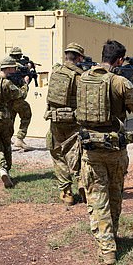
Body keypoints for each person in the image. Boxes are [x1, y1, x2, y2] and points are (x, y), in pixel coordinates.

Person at [76, 40, 133, 265]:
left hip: (90, 148)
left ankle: (106, 243)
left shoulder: (82, 79)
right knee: (115, 195)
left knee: (97, 196)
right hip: (115, 150)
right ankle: (110, 242)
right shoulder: (120, 83)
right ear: (119, 60)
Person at [45, 42, 87, 206]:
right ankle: (82, 183)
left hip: (55, 120)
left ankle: (67, 193)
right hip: (73, 121)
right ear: (80, 57)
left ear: (66, 56)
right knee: (77, 154)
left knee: (57, 154)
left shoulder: (55, 72)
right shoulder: (81, 77)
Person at [0, 57, 30, 188]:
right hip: (2, 117)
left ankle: (2, 169)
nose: (15, 70)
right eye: (13, 68)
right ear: (8, 69)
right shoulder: (7, 84)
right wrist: (25, 83)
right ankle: (6, 169)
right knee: (6, 145)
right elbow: (21, 95)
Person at [8, 46, 33, 151]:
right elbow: (24, 85)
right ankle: (20, 138)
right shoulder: (21, 67)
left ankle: (7, 140)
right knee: (26, 116)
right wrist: (28, 77)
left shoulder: (6, 66)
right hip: (18, 99)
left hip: (7, 99)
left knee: (10, 120)